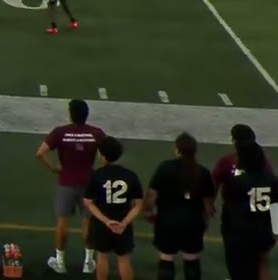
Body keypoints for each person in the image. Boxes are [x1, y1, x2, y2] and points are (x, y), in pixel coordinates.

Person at [37, 99, 107, 275]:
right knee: (87, 223)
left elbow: (40, 153)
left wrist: (53, 167)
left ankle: (60, 262)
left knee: (62, 222)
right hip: (88, 182)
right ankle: (88, 262)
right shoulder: (96, 133)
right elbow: (107, 156)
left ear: (70, 114)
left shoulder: (60, 132)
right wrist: (97, 170)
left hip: (66, 181)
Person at [145, 132, 215, 280]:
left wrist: (149, 213)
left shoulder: (165, 168)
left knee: (166, 258)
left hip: (167, 220)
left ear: (177, 149)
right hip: (193, 221)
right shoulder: (202, 172)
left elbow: (151, 195)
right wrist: (205, 222)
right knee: (191, 259)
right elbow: (208, 203)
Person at [83, 136, 145, 280]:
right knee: (123, 259)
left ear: (102, 155)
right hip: (123, 224)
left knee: (102, 257)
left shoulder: (97, 175)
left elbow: (88, 202)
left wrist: (106, 221)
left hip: (101, 225)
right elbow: (138, 205)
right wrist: (124, 222)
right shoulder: (130, 176)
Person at [219, 141, 278, 280]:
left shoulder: (237, 181)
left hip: (241, 232)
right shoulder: (271, 179)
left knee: (240, 269)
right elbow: (276, 204)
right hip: (263, 230)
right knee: (262, 264)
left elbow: (229, 206)